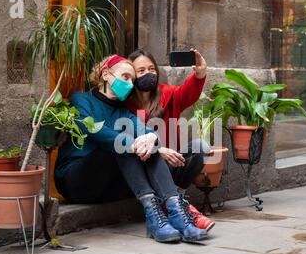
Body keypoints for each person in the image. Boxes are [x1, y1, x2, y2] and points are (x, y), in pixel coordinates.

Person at [54, 55, 208, 243]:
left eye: (132, 80)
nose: (129, 83)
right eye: (125, 77)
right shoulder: (81, 99)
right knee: (125, 143)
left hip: (108, 188)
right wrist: (139, 143)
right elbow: (93, 130)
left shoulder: (122, 111)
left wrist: (151, 138)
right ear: (105, 75)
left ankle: (174, 212)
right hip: (76, 181)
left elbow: (146, 131)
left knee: (144, 143)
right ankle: (156, 213)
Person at [126, 49, 215, 232]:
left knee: (200, 147)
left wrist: (200, 74)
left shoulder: (167, 94)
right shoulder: (124, 103)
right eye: (141, 71)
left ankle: (175, 199)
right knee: (147, 152)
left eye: (151, 69)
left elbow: (187, 93)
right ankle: (177, 207)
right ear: (131, 75)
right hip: (143, 166)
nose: (148, 74)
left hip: (170, 165)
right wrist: (159, 150)